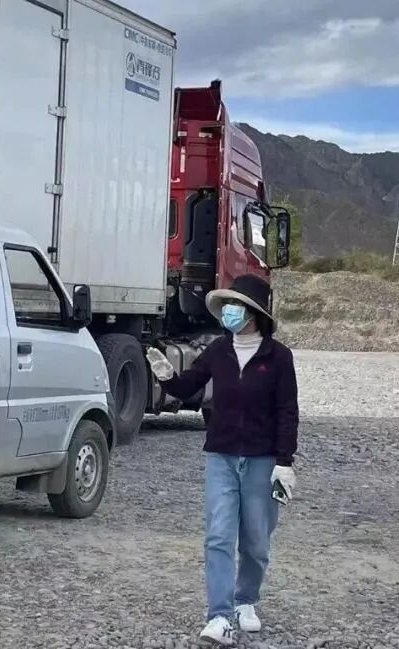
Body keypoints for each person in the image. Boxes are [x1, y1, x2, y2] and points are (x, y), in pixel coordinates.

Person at [147, 274, 299, 647]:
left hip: (263, 460)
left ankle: (246, 599)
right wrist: (166, 376)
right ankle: (220, 615)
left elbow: (287, 411)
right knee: (218, 536)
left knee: (256, 543)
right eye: (227, 304)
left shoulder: (278, 357)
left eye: (237, 305)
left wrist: (284, 462)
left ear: (254, 313)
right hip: (222, 456)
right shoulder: (218, 350)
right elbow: (188, 387)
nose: (229, 311)